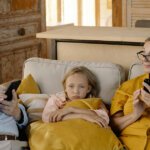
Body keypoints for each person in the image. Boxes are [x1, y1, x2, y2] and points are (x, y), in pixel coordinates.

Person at [110, 37, 150, 150]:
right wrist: (135, 114)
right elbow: (112, 128)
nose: (145, 59)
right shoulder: (127, 87)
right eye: (144, 53)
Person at [42, 66, 109, 128]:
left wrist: (70, 110)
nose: (76, 91)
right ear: (65, 87)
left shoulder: (94, 102)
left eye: (81, 87)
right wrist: (84, 116)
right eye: (71, 86)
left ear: (88, 89)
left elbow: (104, 118)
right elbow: (47, 117)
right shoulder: (57, 100)